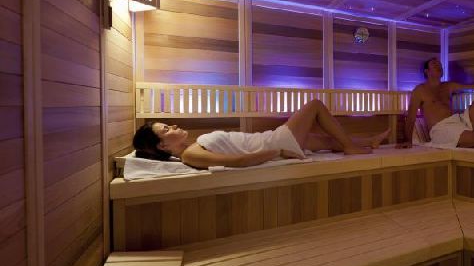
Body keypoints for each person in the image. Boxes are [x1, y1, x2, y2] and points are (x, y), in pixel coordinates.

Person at [133, 99, 388, 169]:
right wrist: (279, 151)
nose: (173, 126)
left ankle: (367, 141)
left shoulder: (192, 148)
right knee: (315, 106)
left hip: (269, 139)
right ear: (163, 146)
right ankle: (351, 147)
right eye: (166, 129)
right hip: (273, 143)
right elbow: (239, 161)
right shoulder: (191, 155)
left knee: (322, 140)